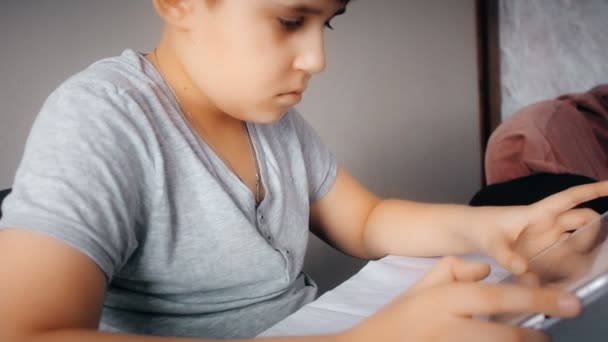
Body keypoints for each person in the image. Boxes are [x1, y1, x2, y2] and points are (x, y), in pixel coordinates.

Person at [0, 0, 607, 341]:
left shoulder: (272, 123)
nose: (317, 58)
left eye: (327, 23)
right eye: (291, 20)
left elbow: (367, 220)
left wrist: (497, 228)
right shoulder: (103, 118)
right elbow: (31, 333)